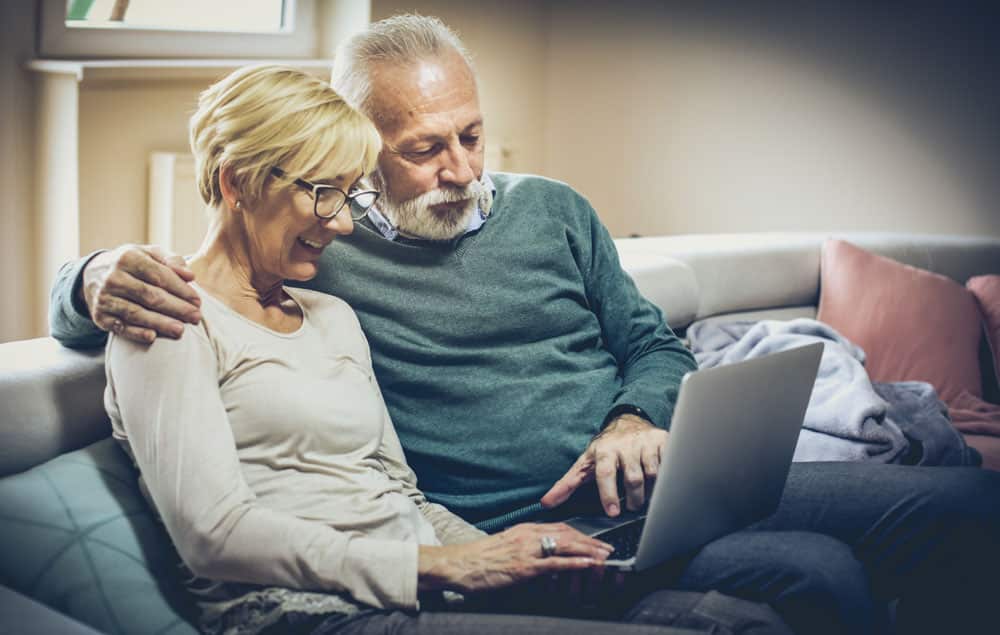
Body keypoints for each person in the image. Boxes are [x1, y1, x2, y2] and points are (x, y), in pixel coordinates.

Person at [51, 15, 999, 635]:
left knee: (965, 509)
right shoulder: (323, 249)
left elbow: (652, 342)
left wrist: (637, 418)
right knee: (806, 577)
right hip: (513, 523)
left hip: (651, 494)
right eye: (423, 150)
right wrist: (87, 274)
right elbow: (178, 283)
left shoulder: (540, 215)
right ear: (352, 147)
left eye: (471, 134)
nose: (462, 169)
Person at [100, 62, 786, 635]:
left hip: (424, 584)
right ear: (235, 181)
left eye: (350, 194)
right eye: (323, 195)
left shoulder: (331, 313)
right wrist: (450, 567)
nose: (342, 223)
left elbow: (405, 494)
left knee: (733, 617)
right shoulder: (167, 320)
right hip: (309, 612)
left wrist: (516, 556)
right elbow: (215, 536)